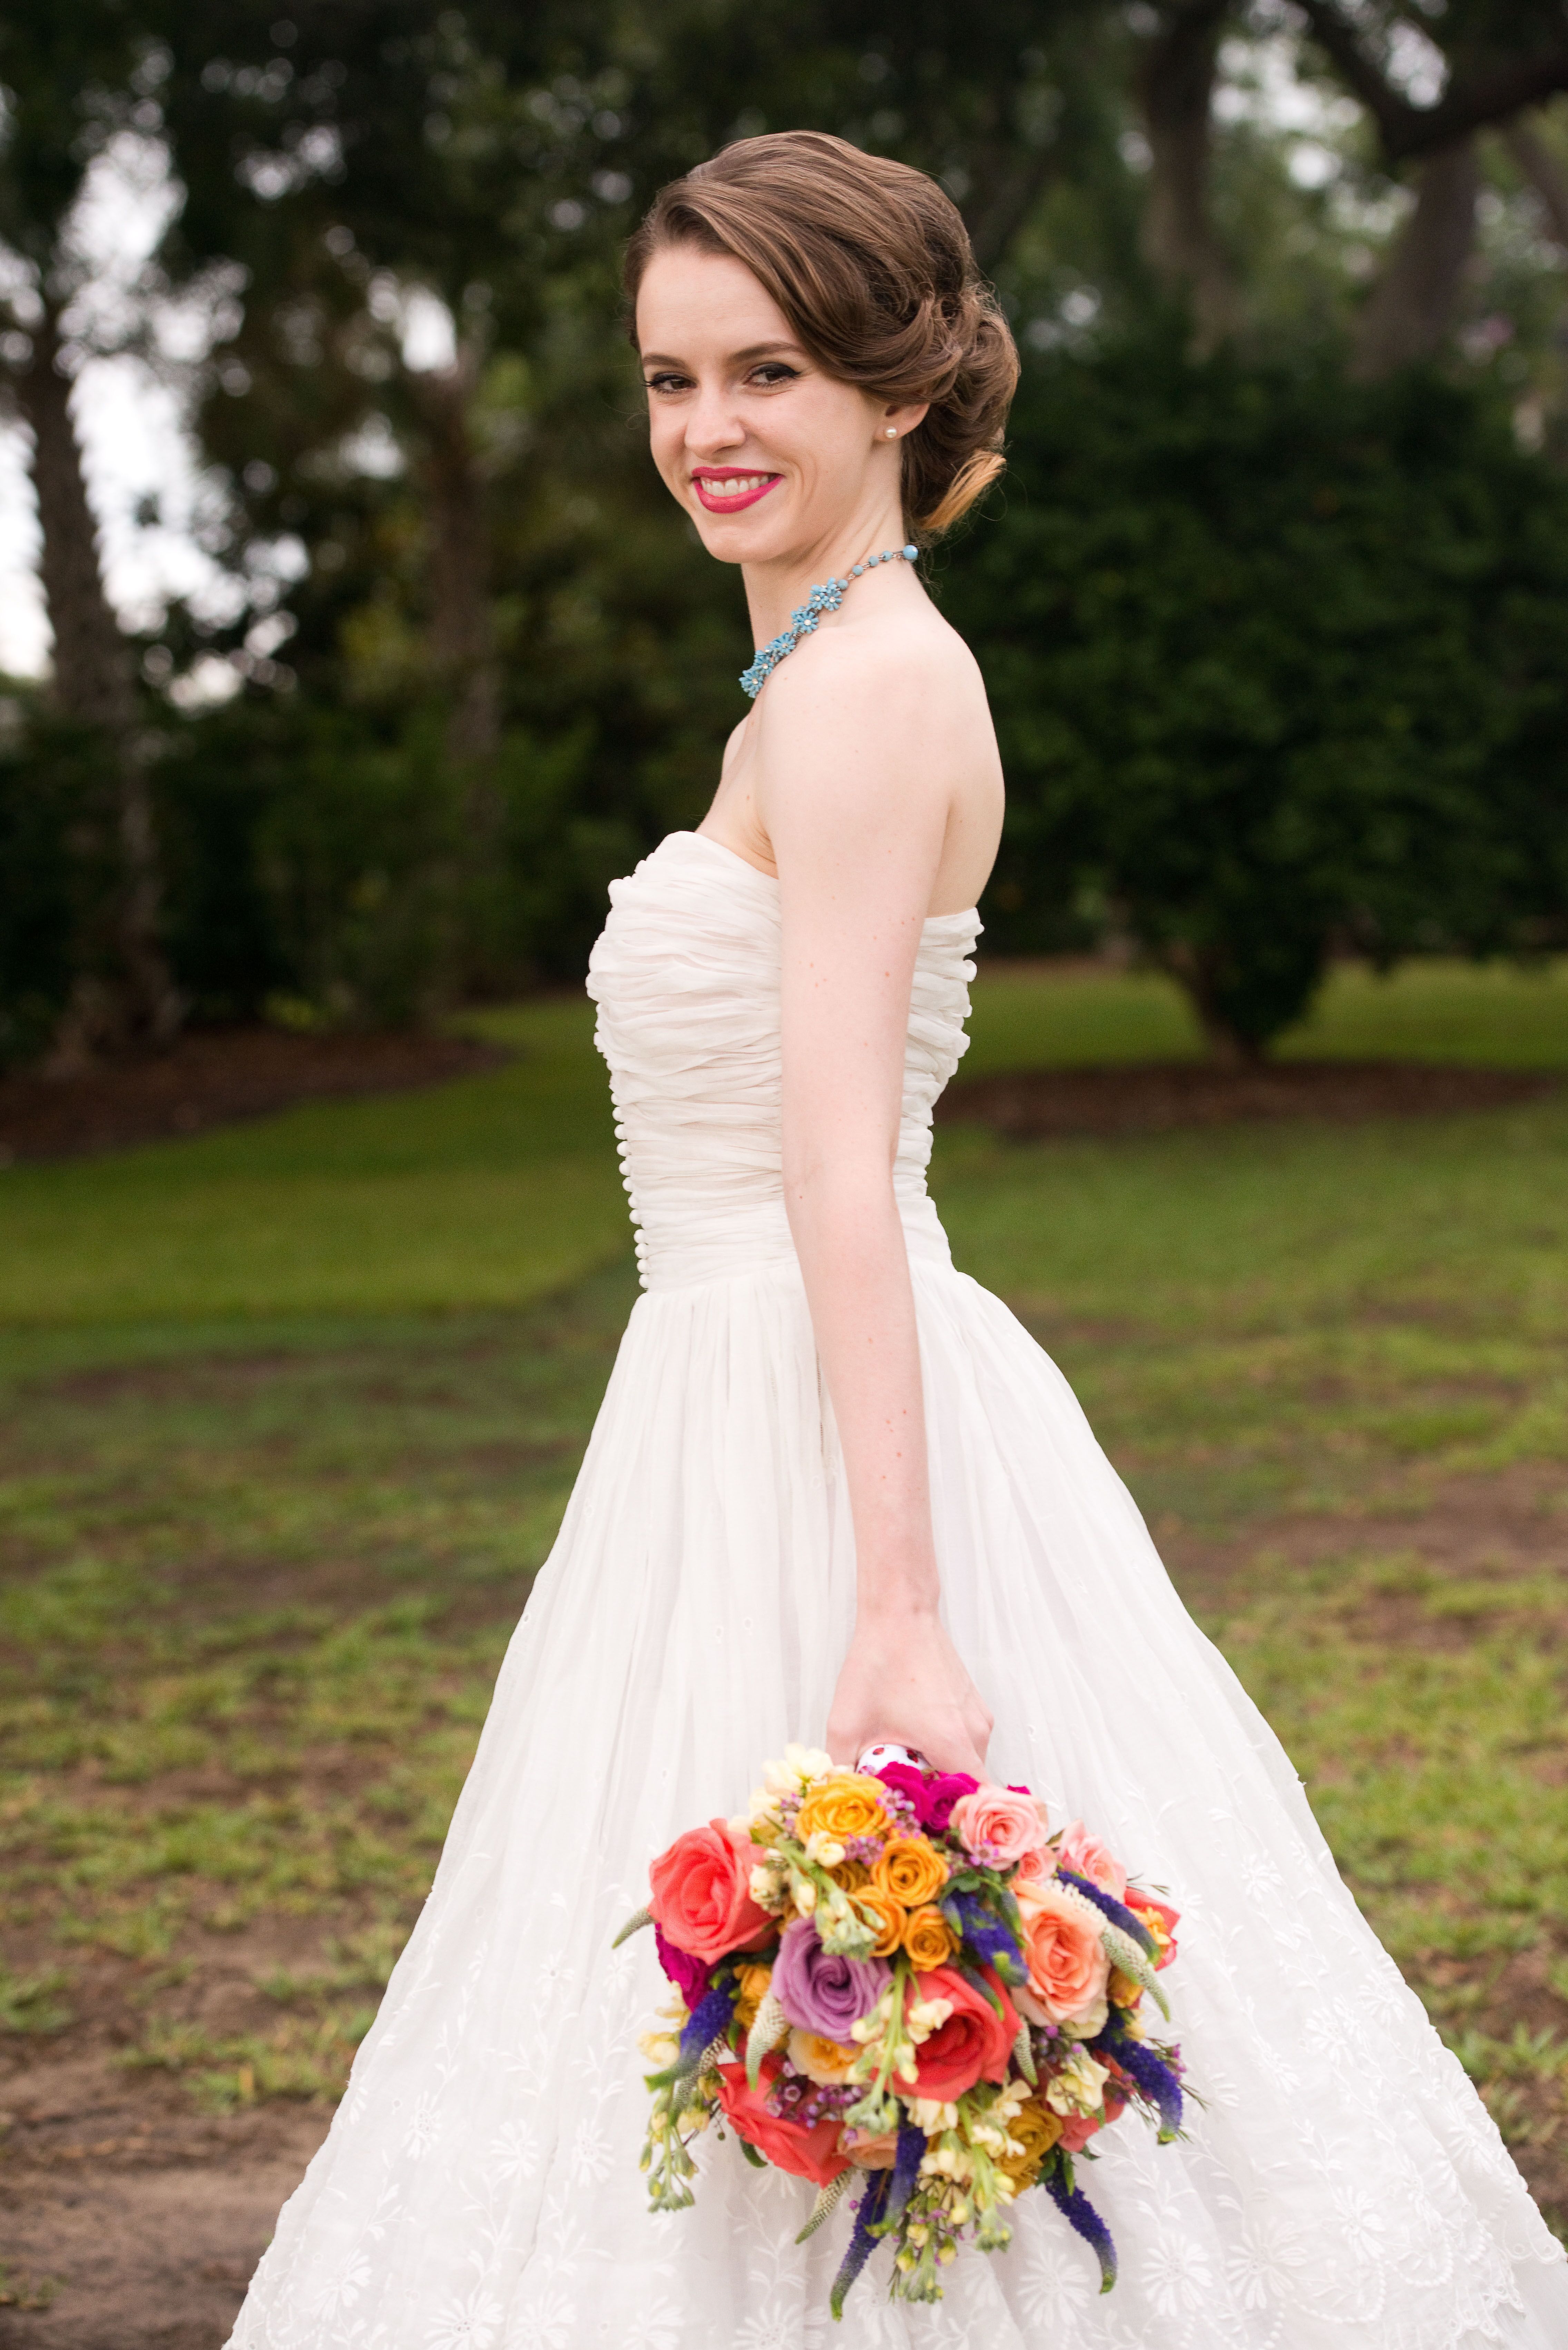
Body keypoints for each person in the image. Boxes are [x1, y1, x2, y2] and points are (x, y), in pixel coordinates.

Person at [228, 131, 1568, 2350]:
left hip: (804, 1383)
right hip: (726, 1382)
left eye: (766, 370)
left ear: (897, 391)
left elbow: (843, 1165)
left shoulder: (863, 693)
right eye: (667, 380)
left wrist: (904, 1607)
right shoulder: (827, 668)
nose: (704, 431)